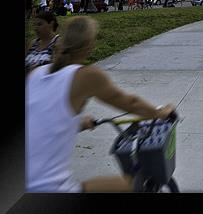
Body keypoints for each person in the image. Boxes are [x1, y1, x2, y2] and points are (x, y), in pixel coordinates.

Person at [26, 16, 176, 193]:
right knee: (130, 186)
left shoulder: (35, 74)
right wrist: (161, 112)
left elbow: (39, 116)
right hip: (46, 187)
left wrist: (77, 123)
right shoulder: (87, 76)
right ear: (90, 45)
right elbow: (131, 103)